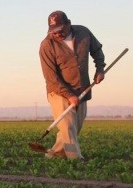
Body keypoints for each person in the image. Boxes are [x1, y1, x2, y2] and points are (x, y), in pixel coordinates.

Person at [39, 10, 105, 160]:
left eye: (60, 31)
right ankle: (75, 160)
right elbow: (51, 77)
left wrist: (100, 69)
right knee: (68, 126)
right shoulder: (46, 45)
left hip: (81, 89)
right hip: (59, 91)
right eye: (53, 32)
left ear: (68, 24)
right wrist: (69, 95)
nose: (56, 34)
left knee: (73, 128)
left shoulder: (83, 32)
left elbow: (97, 51)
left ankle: (54, 155)